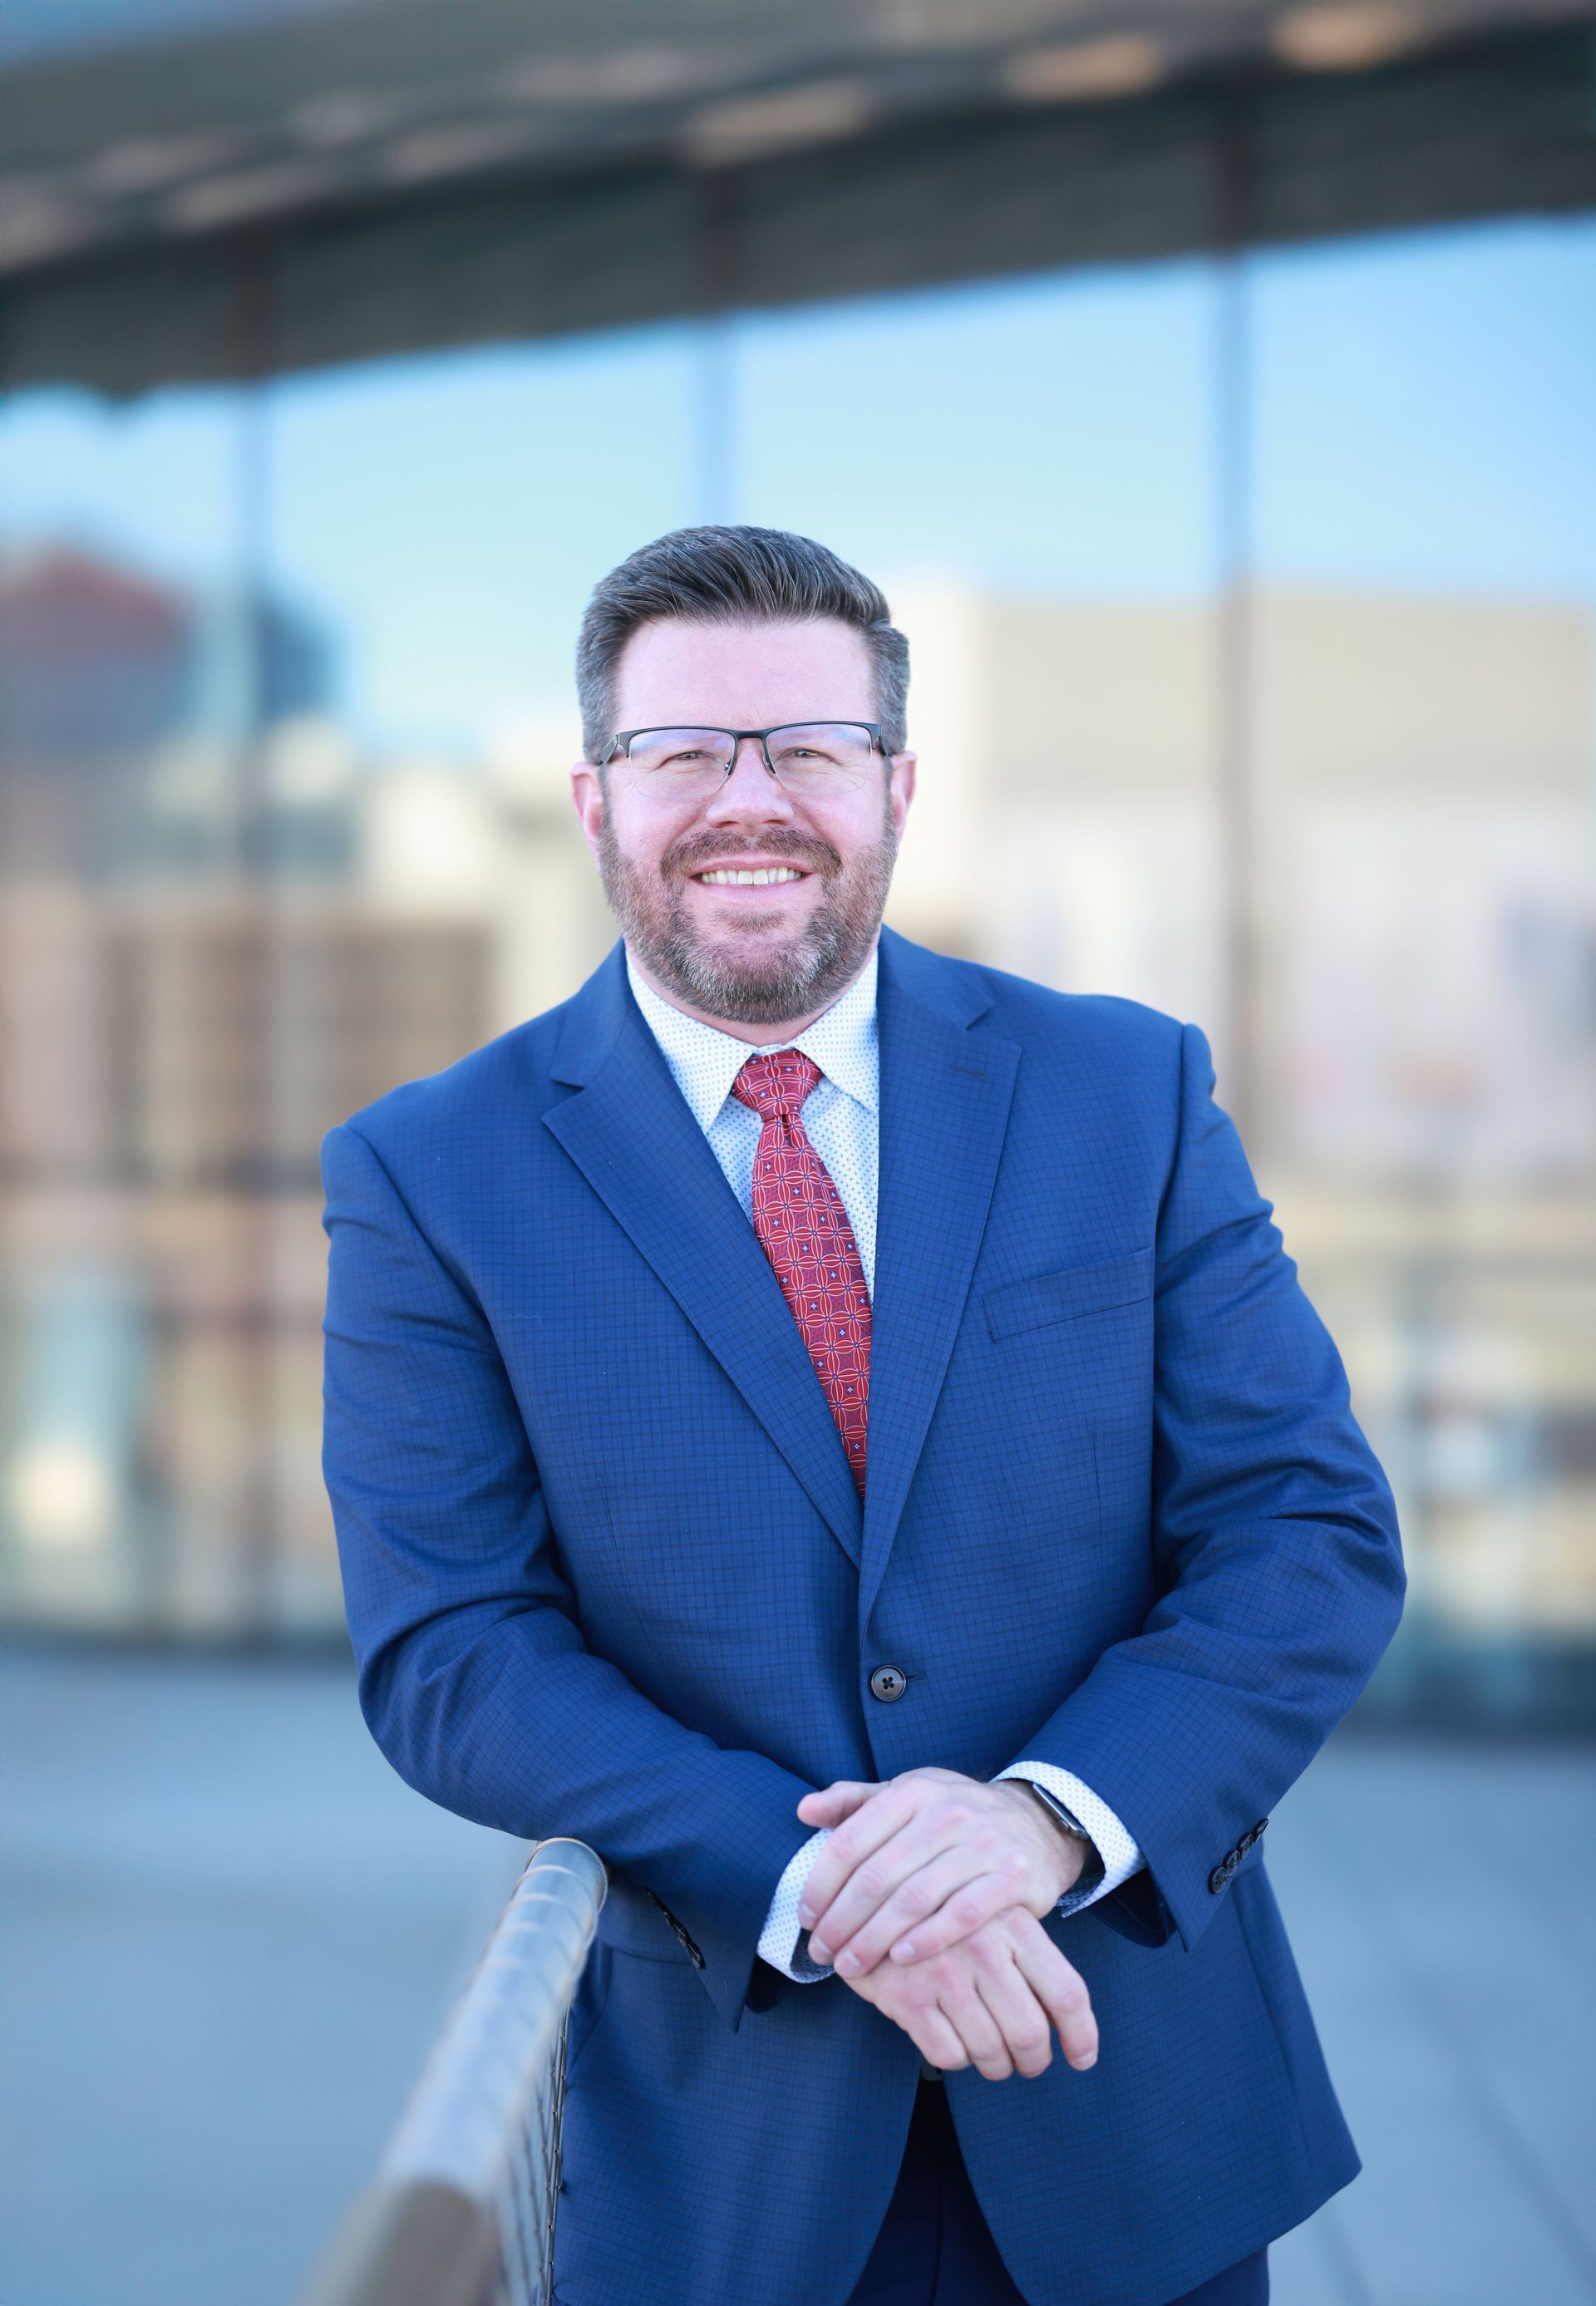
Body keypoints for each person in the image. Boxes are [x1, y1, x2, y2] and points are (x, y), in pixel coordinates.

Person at [320, 525, 1405, 2306]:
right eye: (683, 750)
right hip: (726, 2156)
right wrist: (835, 1886)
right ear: (596, 802)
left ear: (898, 785)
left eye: (809, 747)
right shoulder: (428, 1174)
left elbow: (1306, 1530)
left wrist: (1038, 1824)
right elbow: (454, 1648)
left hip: (1133, 2102)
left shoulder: (1126, 1087)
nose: (748, 799)